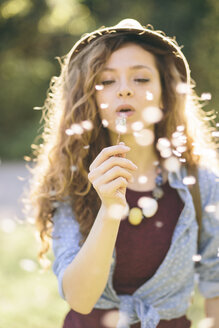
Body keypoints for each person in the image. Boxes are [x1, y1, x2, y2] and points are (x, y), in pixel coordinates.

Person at [26, 19, 219, 328]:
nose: (126, 89)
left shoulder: (201, 183)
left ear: (165, 94)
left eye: (141, 79)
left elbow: (216, 283)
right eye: (106, 81)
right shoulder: (72, 181)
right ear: (90, 99)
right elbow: (80, 298)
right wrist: (110, 209)